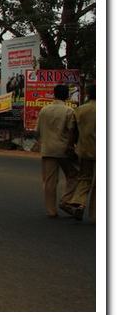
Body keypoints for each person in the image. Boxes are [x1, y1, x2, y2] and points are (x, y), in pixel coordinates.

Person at [36, 84, 79, 218]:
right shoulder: (69, 111)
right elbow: (72, 131)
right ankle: (66, 200)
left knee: (50, 181)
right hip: (64, 149)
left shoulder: (44, 110)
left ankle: (51, 210)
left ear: (54, 94)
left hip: (47, 149)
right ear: (67, 95)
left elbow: (38, 131)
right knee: (74, 176)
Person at [70, 84, 96, 221]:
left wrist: (71, 146)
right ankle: (95, 214)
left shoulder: (80, 110)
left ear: (88, 94)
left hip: (84, 149)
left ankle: (79, 203)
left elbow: (73, 131)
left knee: (85, 178)